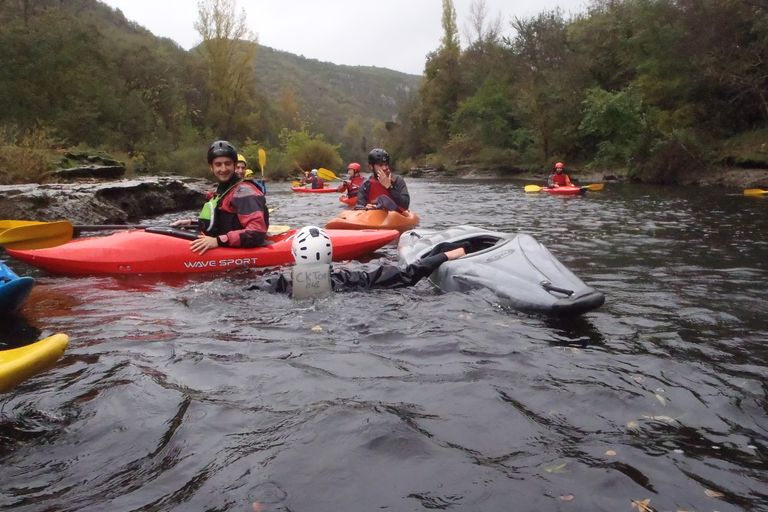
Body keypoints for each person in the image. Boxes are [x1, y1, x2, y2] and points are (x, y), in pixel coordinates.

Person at [247, 226, 466, 298]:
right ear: (331, 253)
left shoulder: (279, 283)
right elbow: (408, 275)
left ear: (294, 254)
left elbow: (247, 295)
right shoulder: (352, 278)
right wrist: (445, 255)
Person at [171, 140, 270, 254]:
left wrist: (218, 241)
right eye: (218, 164)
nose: (223, 169)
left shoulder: (245, 192)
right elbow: (220, 223)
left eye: (227, 164)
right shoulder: (221, 192)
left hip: (243, 257)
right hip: (226, 246)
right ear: (211, 167)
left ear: (234, 165)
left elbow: (257, 232)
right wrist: (192, 223)